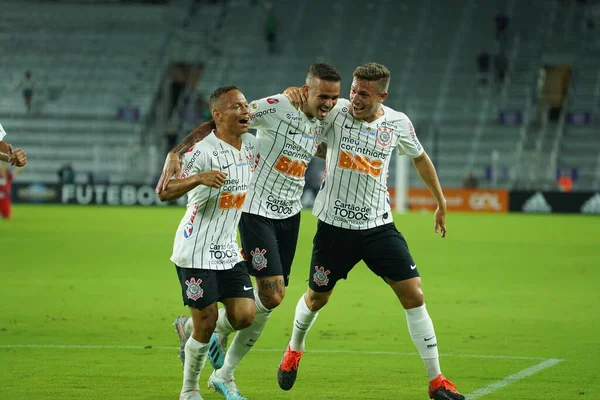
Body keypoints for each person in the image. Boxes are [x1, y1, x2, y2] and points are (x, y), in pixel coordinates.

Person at [278, 63, 465, 400]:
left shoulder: (397, 123)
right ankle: (294, 347)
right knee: (317, 298)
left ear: (382, 95)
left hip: (379, 226)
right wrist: (295, 94)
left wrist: (441, 201)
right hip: (334, 228)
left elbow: (420, 158)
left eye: (364, 93)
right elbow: (304, 107)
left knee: (414, 295)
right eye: (353, 90)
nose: (355, 98)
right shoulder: (333, 112)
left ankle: (436, 381)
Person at [157, 63, 341, 400]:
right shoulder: (280, 105)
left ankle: (210, 351)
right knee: (270, 296)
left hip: (291, 213)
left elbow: (313, 146)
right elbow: (219, 123)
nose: (328, 102)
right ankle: (213, 366)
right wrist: (176, 152)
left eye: (333, 97)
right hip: (256, 210)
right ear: (306, 88)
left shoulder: (327, 117)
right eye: (322, 95)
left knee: (270, 301)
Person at [158, 85, 258, 400]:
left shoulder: (252, 147)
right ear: (217, 115)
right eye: (236, 107)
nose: (245, 111)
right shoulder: (202, 151)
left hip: (228, 248)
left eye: (245, 105)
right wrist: (197, 178)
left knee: (244, 315)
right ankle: (189, 391)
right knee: (208, 323)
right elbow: (164, 191)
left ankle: (185, 327)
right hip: (196, 250)